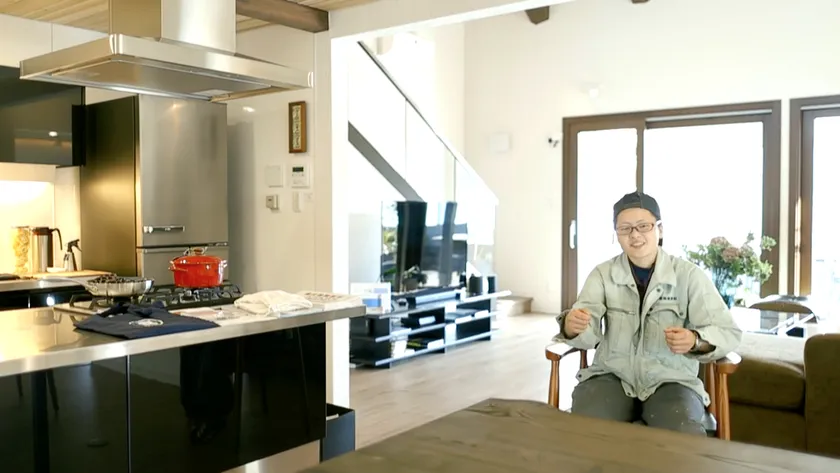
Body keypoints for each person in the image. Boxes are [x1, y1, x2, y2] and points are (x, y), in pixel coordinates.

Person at [553, 191, 742, 435]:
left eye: (643, 226)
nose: (635, 235)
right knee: (587, 429)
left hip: (672, 381)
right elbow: (587, 336)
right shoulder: (602, 274)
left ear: (660, 230)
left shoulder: (689, 275)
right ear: (617, 234)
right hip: (611, 375)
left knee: (682, 435)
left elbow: (727, 332)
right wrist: (572, 327)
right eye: (625, 228)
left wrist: (696, 340)